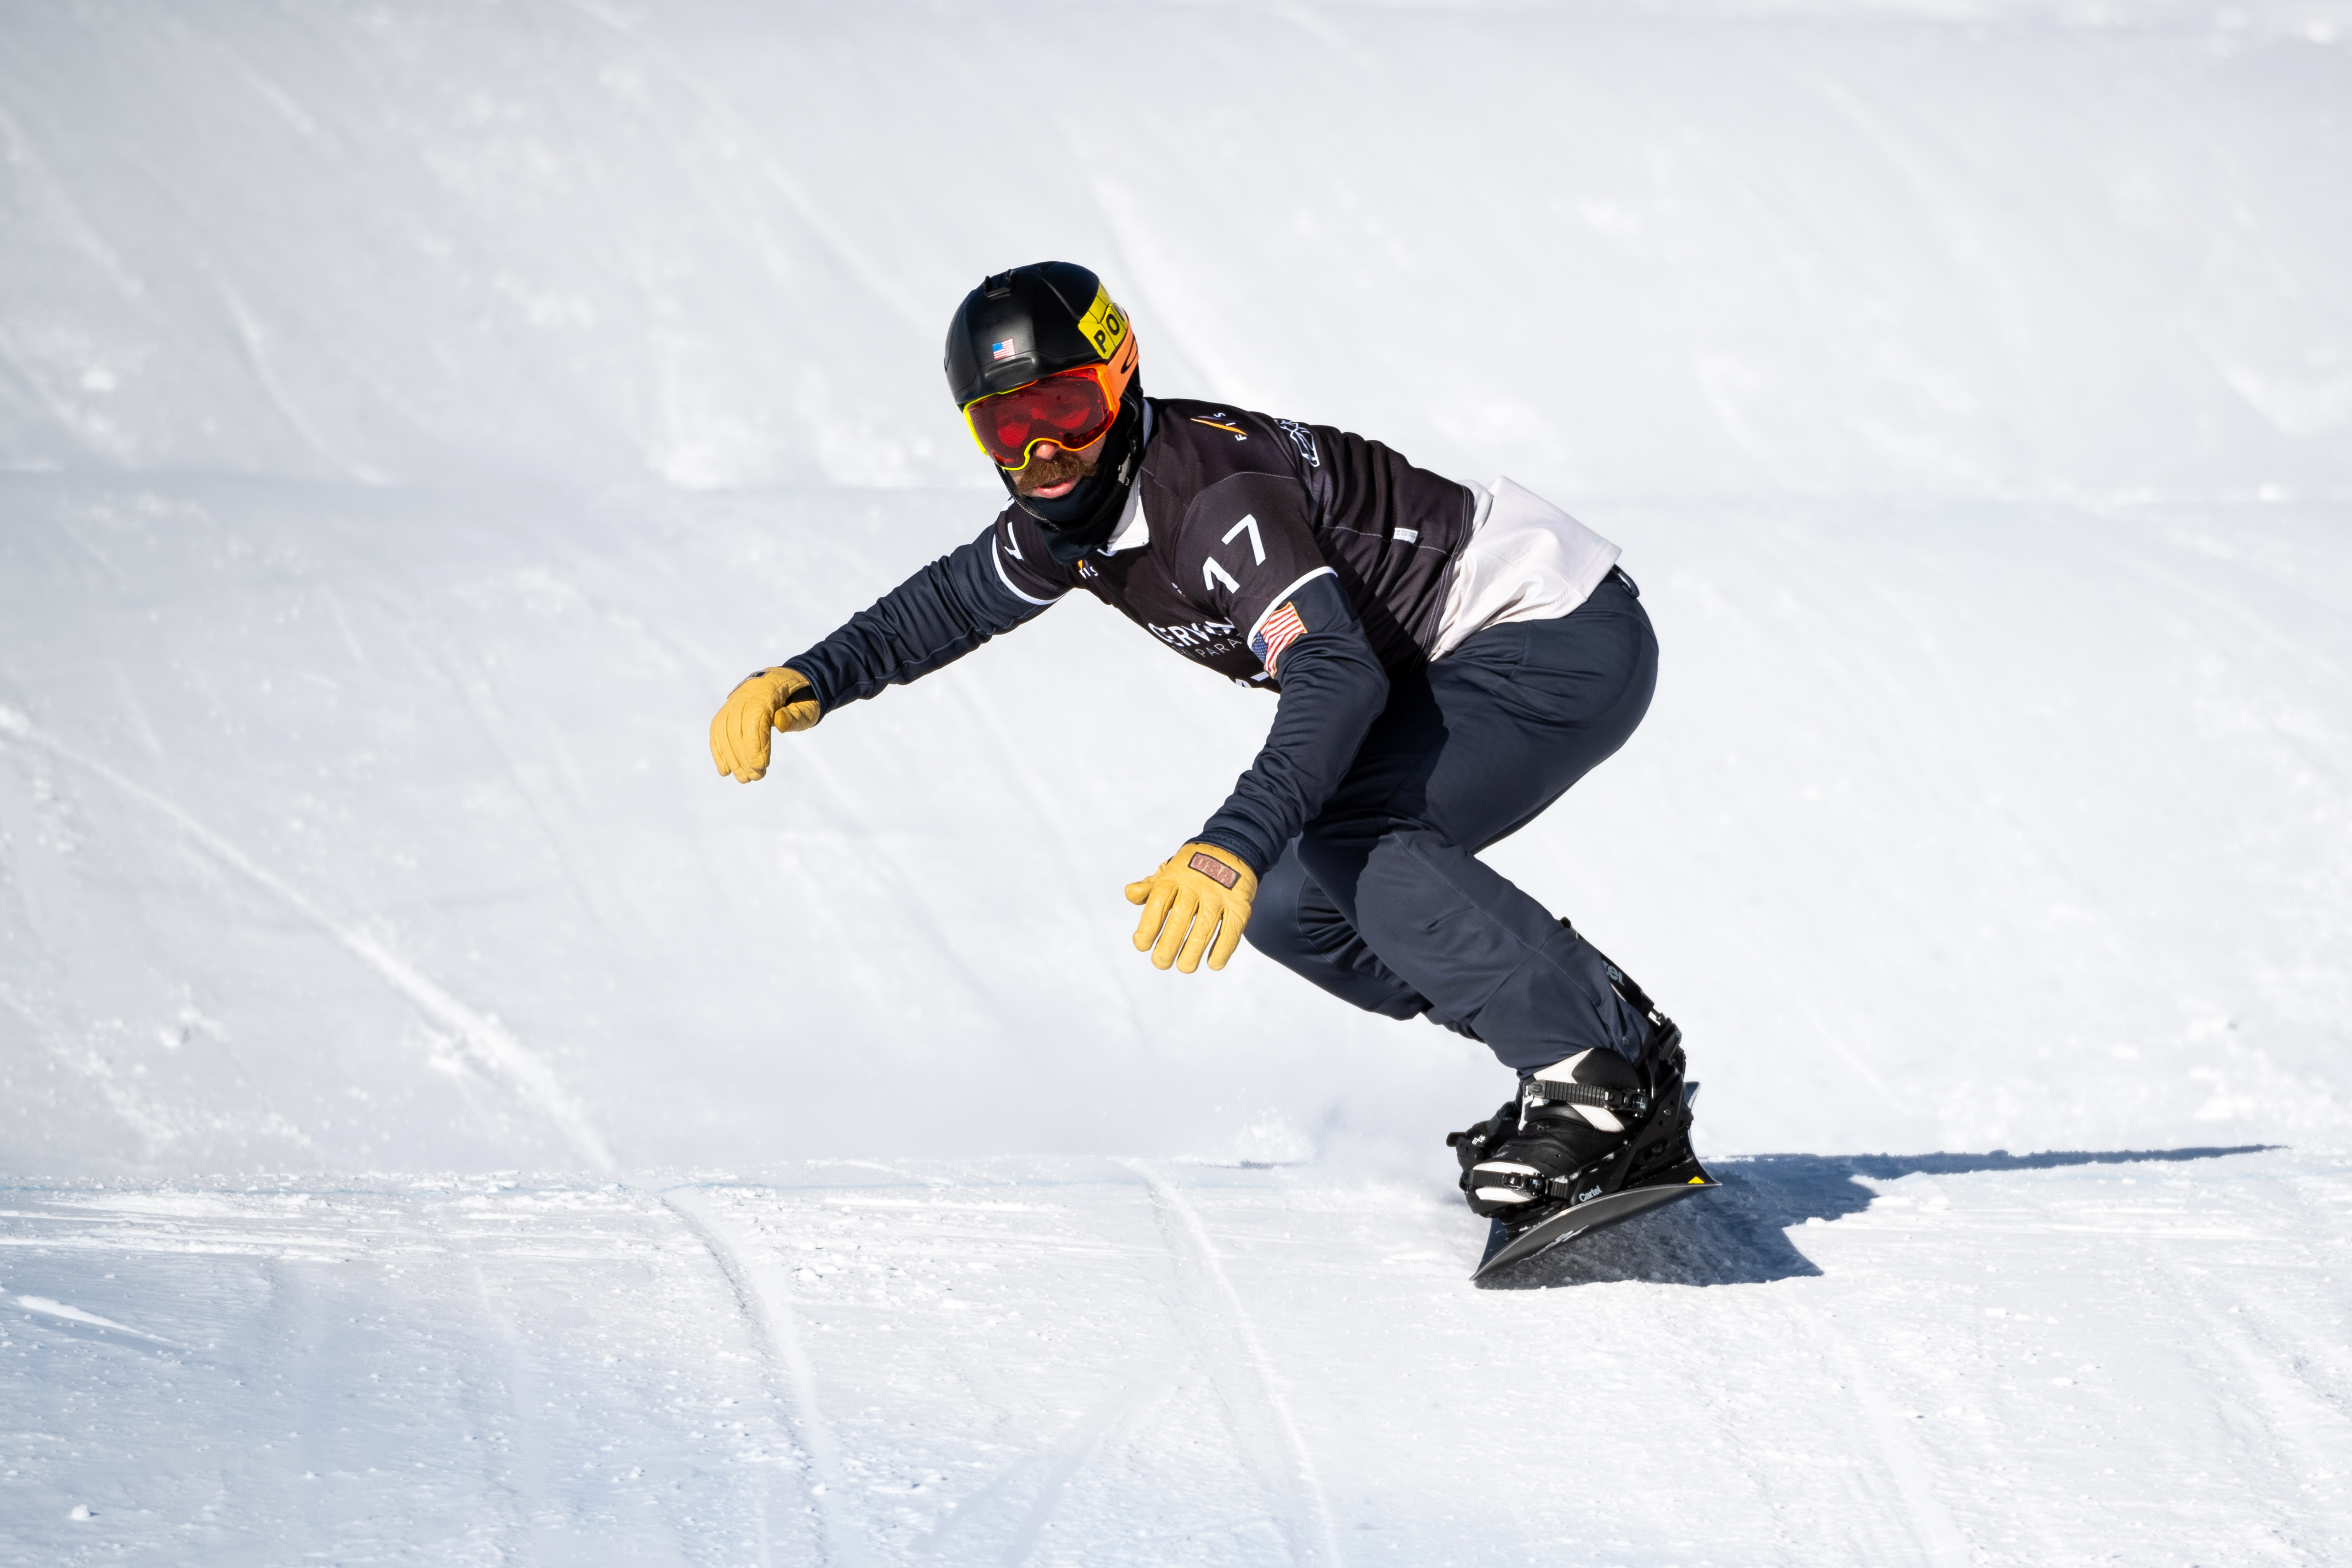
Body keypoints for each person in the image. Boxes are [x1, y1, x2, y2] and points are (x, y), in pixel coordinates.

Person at [708, 262, 1691, 1227]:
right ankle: (1598, 1044)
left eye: (1065, 408)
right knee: (1294, 910)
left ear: (1122, 379)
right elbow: (951, 602)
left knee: (1351, 838)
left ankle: (1593, 1080)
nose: (1042, 450)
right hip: (1450, 664)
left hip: (1547, 633)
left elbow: (1335, 676)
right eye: (1005, 426)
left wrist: (1227, 843)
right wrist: (806, 677)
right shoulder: (1072, 517)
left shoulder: (1213, 500)